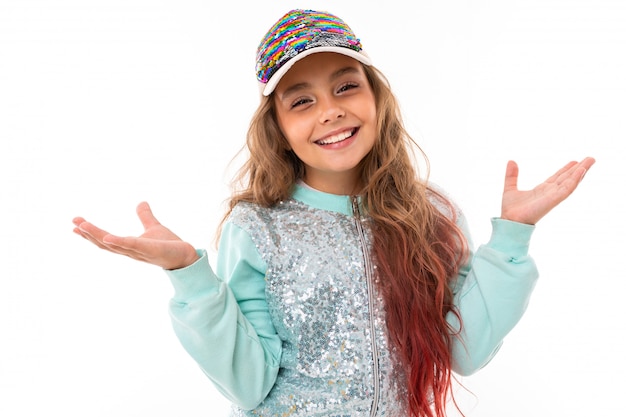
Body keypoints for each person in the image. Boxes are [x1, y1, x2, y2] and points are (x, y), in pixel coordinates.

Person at [72, 9, 595, 417]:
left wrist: (513, 237)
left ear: (376, 96)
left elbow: (466, 350)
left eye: (346, 86)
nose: (330, 110)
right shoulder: (258, 229)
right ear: (277, 126)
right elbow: (248, 382)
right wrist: (189, 275)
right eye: (302, 101)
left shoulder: (429, 212)